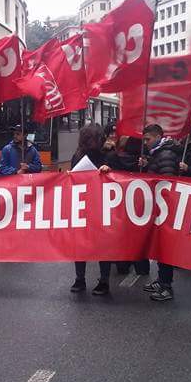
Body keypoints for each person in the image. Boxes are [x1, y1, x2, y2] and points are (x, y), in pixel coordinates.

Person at [95, 136, 146, 294]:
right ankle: (141, 266)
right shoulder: (142, 161)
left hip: (115, 204)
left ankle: (119, 266)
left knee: (114, 237)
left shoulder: (111, 158)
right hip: (137, 204)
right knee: (137, 234)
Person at [139, 124, 183, 301]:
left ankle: (166, 286)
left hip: (164, 209)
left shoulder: (165, 155)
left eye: (148, 139)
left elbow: (166, 183)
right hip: (159, 207)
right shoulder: (158, 154)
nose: (146, 143)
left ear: (158, 137)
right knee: (159, 245)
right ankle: (161, 280)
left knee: (165, 247)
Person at [69, 124, 107, 292]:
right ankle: (80, 278)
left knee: (103, 246)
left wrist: (109, 171)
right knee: (80, 244)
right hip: (82, 204)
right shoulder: (77, 156)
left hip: (102, 206)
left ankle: (104, 280)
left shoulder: (108, 155)